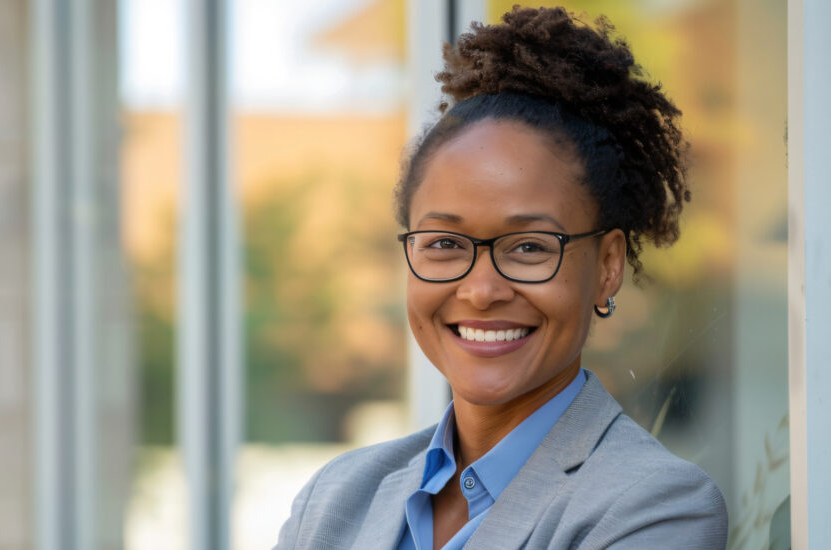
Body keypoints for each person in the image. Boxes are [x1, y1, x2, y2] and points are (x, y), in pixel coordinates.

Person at [274, 6, 728, 550]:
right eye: (444, 243)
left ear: (607, 267)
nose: (482, 290)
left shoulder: (656, 507)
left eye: (530, 247)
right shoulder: (336, 499)